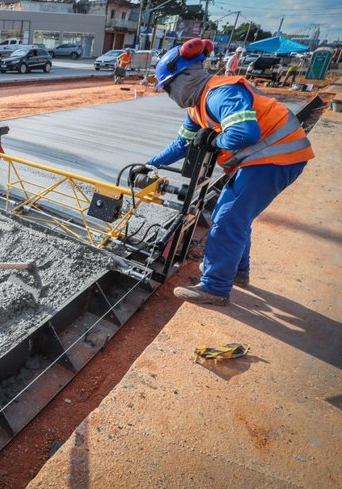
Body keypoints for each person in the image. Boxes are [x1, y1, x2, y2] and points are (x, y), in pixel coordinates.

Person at [133, 38, 313, 306]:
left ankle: (215, 288)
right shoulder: (198, 106)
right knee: (232, 216)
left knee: (228, 219)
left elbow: (245, 132)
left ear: (184, 77)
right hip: (265, 158)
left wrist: (214, 141)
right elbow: (183, 143)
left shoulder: (221, 93)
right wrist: (151, 164)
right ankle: (238, 273)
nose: (169, 95)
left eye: (169, 88)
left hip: (276, 157)